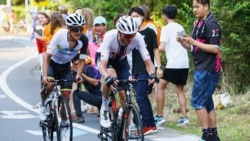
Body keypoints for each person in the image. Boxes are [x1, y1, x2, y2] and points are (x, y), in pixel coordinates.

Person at [98, 15, 157, 129]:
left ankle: (126, 127)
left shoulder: (138, 37)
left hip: (121, 60)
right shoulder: (110, 36)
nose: (130, 38)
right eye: (127, 35)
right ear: (119, 32)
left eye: (132, 35)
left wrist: (152, 74)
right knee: (111, 76)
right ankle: (104, 108)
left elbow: (148, 62)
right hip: (107, 60)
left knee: (124, 93)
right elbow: (102, 66)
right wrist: (107, 77)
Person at [177, 0, 222, 141]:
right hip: (200, 67)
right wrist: (184, 42)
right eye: (193, 7)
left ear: (206, 6)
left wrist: (193, 42)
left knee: (198, 102)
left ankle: (206, 135)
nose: (194, 10)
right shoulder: (198, 23)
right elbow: (194, 48)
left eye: (197, 6)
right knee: (207, 102)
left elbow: (215, 48)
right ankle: (213, 135)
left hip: (208, 69)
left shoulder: (211, 24)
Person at [40, 13, 88, 121]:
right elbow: (47, 56)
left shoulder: (83, 40)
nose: (78, 32)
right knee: (50, 84)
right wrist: (45, 75)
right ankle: (43, 105)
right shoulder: (60, 35)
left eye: (81, 29)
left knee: (66, 95)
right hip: (52, 63)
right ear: (69, 28)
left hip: (65, 66)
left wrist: (79, 74)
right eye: (75, 29)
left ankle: (63, 123)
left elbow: (82, 59)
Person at [154, 5, 190, 127]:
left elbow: (162, 47)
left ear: (164, 16)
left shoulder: (166, 28)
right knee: (180, 90)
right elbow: (185, 42)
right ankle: (184, 117)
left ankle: (159, 116)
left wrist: (154, 49)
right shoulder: (180, 27)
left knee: (160, 87)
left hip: (173, 64)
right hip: (184, 63)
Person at [128, 7, 161, 135]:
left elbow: (155, 50)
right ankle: (151, 124)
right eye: (132, 17)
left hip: (147, 69)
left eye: (137, 16)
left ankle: (147, 124)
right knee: (142, 97)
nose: (134, 19)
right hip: (135, 69)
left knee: (141, 97)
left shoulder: (149, 31)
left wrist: (158, 67)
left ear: (142, 17)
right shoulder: (130, 33)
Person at [71, 54, 102, 123]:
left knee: (76, 94)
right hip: (97, 98)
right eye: (75, 65)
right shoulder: (82, 71)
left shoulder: (88, 68)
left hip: (99, 98)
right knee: (76, 92)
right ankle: (102, 112)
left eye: (78, 64)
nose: (77, 66)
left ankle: (79, 117)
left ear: (83, 63)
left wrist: (82, 75)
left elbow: (95, 83)